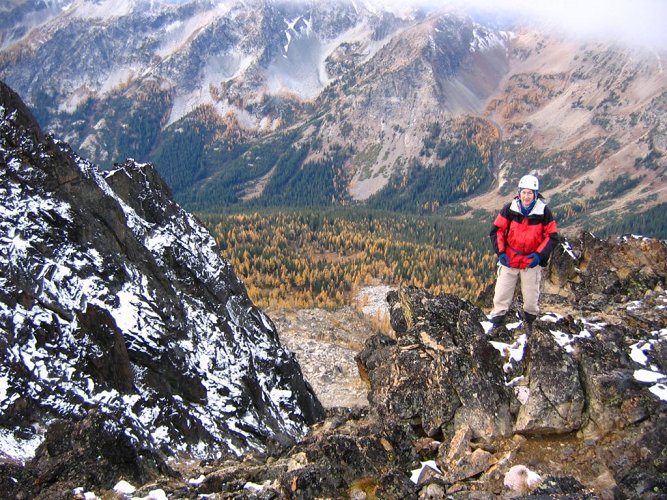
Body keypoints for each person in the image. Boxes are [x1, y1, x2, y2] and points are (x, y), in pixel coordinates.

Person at [488, 174, 558, 329]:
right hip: (510, 258)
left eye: (530, 193)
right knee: (501, 294)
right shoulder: (509, 209)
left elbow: (552, 236)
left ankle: (530, 323)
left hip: (531, 261)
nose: (526, 196)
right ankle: (496, 322)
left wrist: (539, 256)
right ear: (519, 193)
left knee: (531, 297)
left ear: (535, 194)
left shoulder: (543, 212)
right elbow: (497, 231)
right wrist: (501, 253)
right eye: (524, 192)